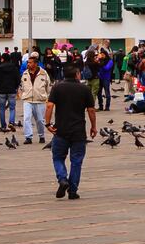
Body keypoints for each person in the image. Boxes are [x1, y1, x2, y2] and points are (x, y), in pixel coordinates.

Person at [47, 58, 97, 198]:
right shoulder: (84, 89)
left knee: (58, 157)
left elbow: (49, 106)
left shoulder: (57, 87)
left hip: (60, 130)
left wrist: (47, 124)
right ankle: (73, 191)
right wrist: (93, 127)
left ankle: (62, 179)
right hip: (78, 131)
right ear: (77, 75)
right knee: (76, 161)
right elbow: (91, 110)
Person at [19, 51, 51, 145]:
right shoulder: (25, 74)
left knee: (40, 120)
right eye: (27, 63)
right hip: (28, 99)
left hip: (40, 100)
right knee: (26, 118)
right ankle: (28, 137)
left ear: (36, 63)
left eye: (30, 62)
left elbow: (48, 86)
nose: (28, 64)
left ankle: (41, 135)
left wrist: (45, 96)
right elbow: (22, 85)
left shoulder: (43, 73)